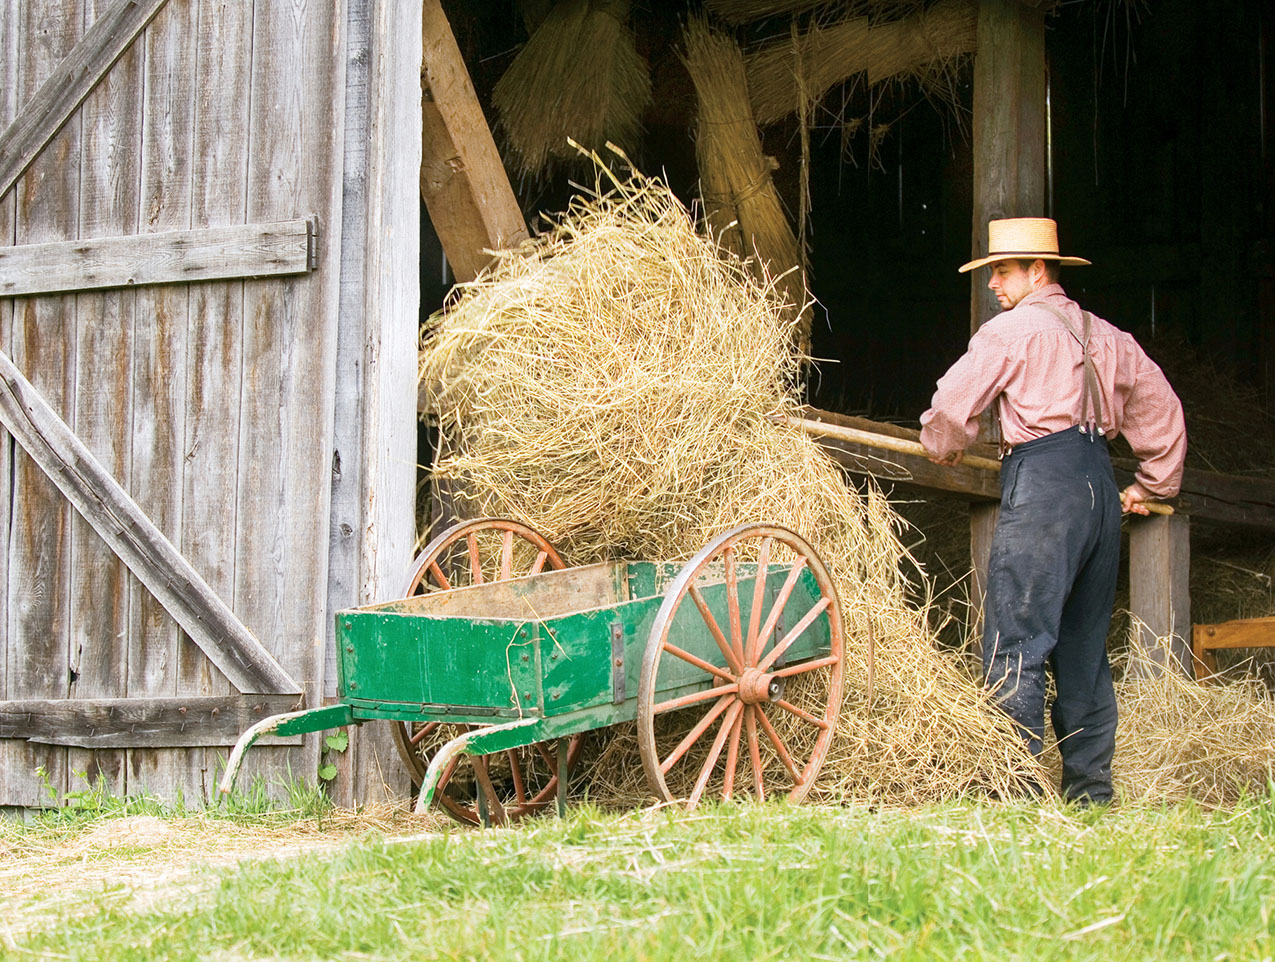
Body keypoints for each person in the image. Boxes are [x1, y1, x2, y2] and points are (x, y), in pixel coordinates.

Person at [919, 217, 1187, 804]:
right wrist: (1152, 484)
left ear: (1037, 270)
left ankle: (1012, 792)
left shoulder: (1011, 332)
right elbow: (1163, 411)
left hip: (1041, 484)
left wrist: (944, 444)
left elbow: (950, 405)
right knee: (1084, 648)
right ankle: (1089, 793)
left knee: (1016, 635)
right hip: (1097, 484)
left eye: (1003, 270)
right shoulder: (1111, 337)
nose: (994, 282)